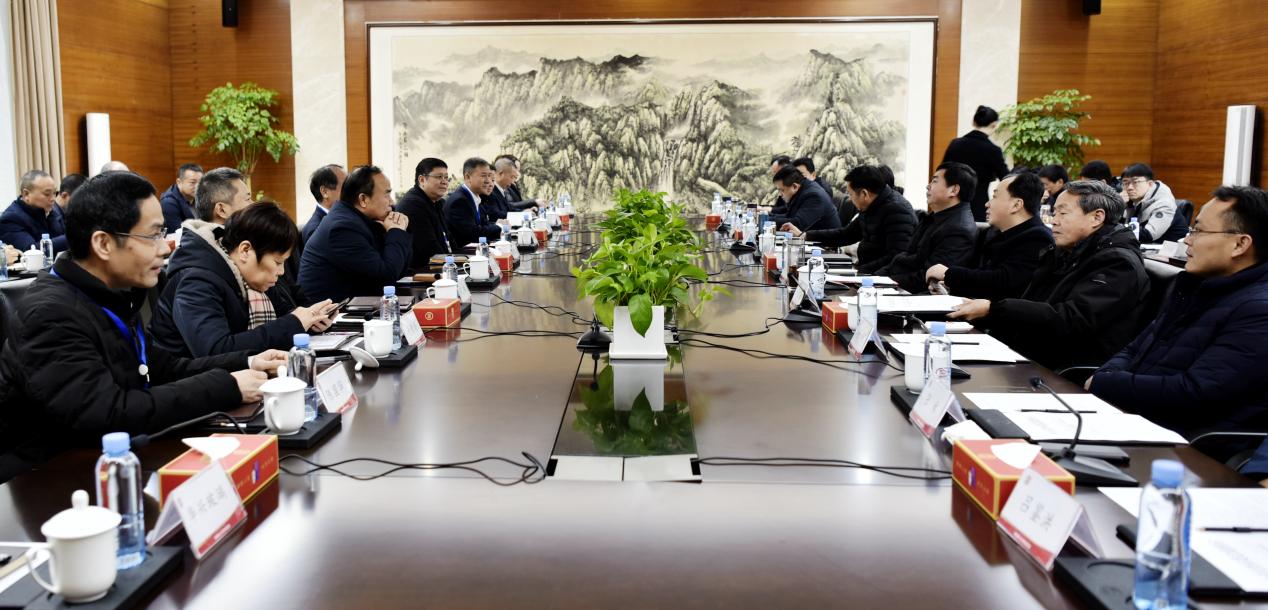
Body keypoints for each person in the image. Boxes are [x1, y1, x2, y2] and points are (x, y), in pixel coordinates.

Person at [0, 171, 282, 481]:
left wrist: (248, 362)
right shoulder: (51, 314)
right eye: (153, 236)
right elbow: (108, 414)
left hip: (111, 465)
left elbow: (164, 368)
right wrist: (226, 387)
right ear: (104, 243)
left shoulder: (111, 294)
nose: (165, 248)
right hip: (50, 480)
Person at [1087, 185, 1268, 444]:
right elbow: (1134, 349)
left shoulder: (1258, 310)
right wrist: (1105, 377)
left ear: (1240, 244)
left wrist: (1104, 384)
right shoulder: (1196, 288)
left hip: (1185, 447)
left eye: (1198, 231)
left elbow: (1195, 393)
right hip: (1132, 419)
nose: (1186, 240)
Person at [948, 180, 1149, 370]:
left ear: (1097, 217)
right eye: (1054, 213)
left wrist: (993, 310)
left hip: (1065, 368)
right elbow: (1033, 303)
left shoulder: (1118, 263)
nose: (1054, 221)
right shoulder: (1066, 252)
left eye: (1063, 213)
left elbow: (1070, 320)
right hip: (1030, 353)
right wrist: (983, 314)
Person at [151, 201, 335, 358]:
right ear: (245, 250)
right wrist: (295, 323)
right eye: (278, 262)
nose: (281, 272)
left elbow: (285, 315)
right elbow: (215, 351)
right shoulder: (197, 281)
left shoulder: (252, 275)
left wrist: (310, 322)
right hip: (185, 382)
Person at [927, 172, 1053, 300]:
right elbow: (983, 276)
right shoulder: (998, 233)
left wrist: (948, 274)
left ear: (1016, 205)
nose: (987, 204)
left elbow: (1003, 281)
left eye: (995, 197)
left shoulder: (1038, 238)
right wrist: (950, 286)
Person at [299, 165, 411, 302]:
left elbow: (400, 268)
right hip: (329, 312)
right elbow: (386, 276)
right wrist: (396, 231)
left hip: (357, 302)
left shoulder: (358, 219)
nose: (392, 202)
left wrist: (393, 231)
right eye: (386, 195)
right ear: (363, 199)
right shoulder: (342, 228)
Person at [783, 165, 916, 273]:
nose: (850, 200)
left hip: (883, 278)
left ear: (864, 194)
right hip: (867, 271)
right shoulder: (872, 206)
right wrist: (806, 235)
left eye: (851, 195)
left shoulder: (897, 211)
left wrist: (860, 272)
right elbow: (846, 234)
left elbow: (896, 258)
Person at [870, 162, 978, 293]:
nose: (928, 186)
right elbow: (905, 258)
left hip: (917, 295)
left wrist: (883, 281)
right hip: (899, 286)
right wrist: (874, 278)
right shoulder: (934, 217)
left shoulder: (958, 230)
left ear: (954, 190)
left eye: (935, 181)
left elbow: (929, 278)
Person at [941, 105, 1010, 221]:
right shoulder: (993, 150)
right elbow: (1007, 178)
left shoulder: (955, 144)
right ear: (994, 125)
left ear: (973, 122)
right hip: (978, 206)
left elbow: (942, 173)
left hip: (951, 204)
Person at [396, 158, 456, 271]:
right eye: (439, 177)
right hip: (420, 271)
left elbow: (448, 237)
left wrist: (460, 258)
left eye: (446, 177)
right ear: (422, 180)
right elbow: (429, 249)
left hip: (440, 265)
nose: (444, 182)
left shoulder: (436, 202)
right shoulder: (413, 205)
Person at [0, 170, 67, 253]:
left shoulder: (53, 210)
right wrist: (72, 239)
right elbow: (31, 251)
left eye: (54, 193)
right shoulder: (10, 218)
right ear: (26, 194)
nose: (53, 199)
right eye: (47, 194)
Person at [444, 158, 503, 248]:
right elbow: (473, 234)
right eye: (483, 176)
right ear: (468, 177)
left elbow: (484, 225)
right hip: (464, 254)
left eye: (489, 176)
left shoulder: (475, 197)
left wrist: (496, 225)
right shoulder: (459, 201)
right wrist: (499, 226)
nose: (488, 181)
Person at [1120, 163, 1185, 243]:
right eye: (1125, 183)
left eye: (1135, 182)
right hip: (1146, 247)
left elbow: (1149, 235)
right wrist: (1119, 205)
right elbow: (1119, 225)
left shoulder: (1164, 203)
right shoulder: (1133, 202)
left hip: (1171, 249)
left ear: (1150, 184)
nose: (1129, 187)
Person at [768, 166, 840, 234]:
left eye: (782, 190)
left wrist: (766, 221)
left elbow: (797, 224)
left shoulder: (813, 196)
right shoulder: (803, 189)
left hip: (823, 242)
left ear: (794, 186)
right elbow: (789, 216)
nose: (780, 194)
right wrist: (767, 217)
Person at [794, 156, 856, 226]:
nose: (797, 179)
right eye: (795, 176)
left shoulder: (821, 191)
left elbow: (804, 220)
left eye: (801, 175)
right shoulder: (802, 188)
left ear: (813, 175)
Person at [484, 155, 539, 221]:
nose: (513, 181)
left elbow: (509, 208)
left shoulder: (501, 190)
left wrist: (524, 212)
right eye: (512, 177)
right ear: (501, 174)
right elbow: (496, 215)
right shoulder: (490, 191)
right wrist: (521, 214)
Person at [302, 164, 345, 245]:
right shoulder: (314, 230)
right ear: (325, 192)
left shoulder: (343, 218)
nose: (351, 192)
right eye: (345, 187)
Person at [159, 163, 203, 234]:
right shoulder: (168, 203)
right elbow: (177, 234)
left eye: (200, 182)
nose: (198, 187)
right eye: (193, 182)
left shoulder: (199, 196)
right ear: (179, 182)